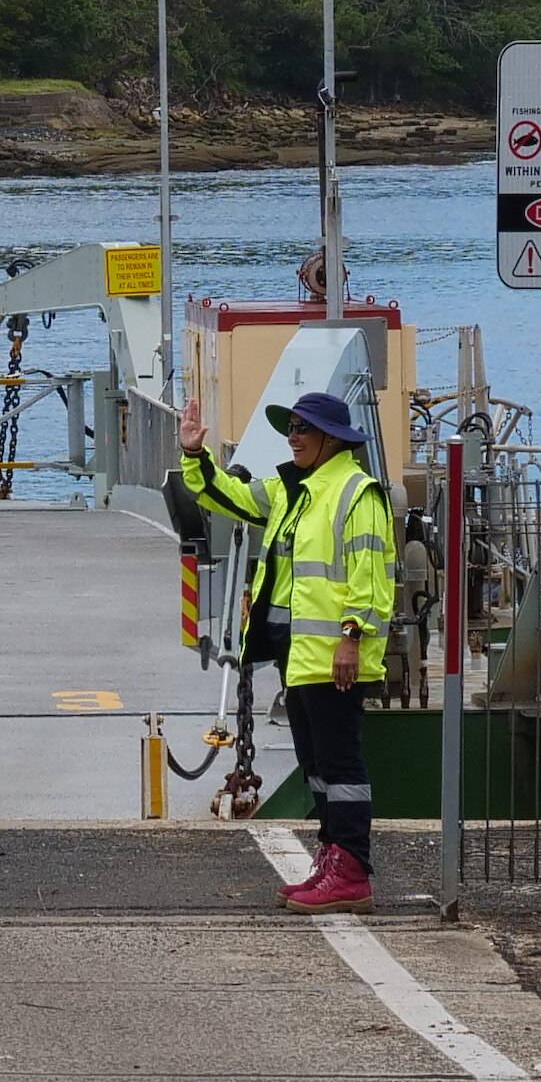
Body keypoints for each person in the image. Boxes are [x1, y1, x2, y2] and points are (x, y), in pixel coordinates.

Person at [172, 386, 395, 910]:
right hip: (301, 658)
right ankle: (332, 857)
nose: (292, 437)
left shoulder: (356, 493)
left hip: (335, 658)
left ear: (332, 438)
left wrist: (352, 637)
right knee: (317, 765)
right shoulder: (295, 490)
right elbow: (227, 496)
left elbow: (372, 578)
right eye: (290, 428)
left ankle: (353, 871)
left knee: (341, 768)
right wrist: (193, 455)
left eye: (303, 429)